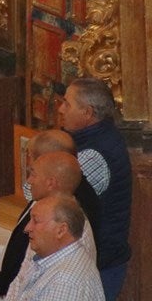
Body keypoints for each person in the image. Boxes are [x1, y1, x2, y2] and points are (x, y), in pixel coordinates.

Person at [0, 130, 99, 298]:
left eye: (33, 174)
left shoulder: (65, 281)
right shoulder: (44, 213)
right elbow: (23, 276)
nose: (29, 180)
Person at [59, 77, 132, 301]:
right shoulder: (97, 137)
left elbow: (56, 200)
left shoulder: (94, 154)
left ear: (88, 113)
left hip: (98, 266)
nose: (61, 109)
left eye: (67, 104)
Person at [5, 194, 104, 301]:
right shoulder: (49, 258)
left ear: (61, 230)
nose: (27, 228)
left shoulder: (65, 282)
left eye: (36, 221)